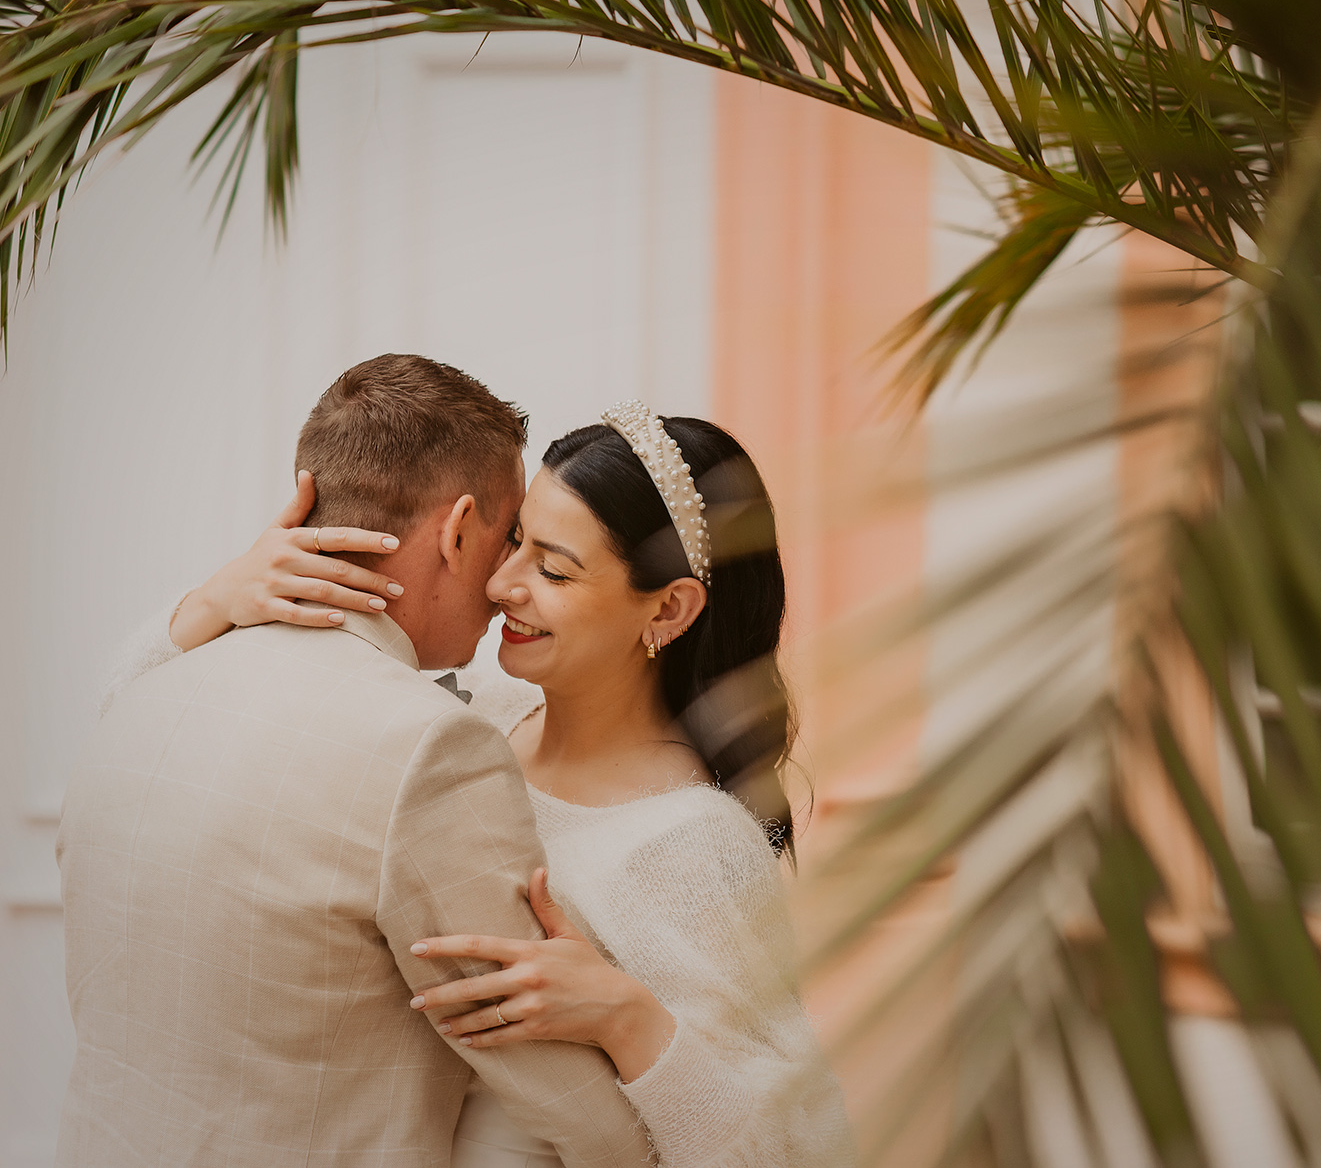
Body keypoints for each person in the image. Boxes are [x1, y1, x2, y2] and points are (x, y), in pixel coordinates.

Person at [103, 375, 856, 1167]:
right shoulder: (473, 718)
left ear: (667, 610)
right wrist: (213, 600)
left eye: (555, 572)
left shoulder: (692, 845)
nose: (500, 585)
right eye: (515, 541)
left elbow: (795, 1147)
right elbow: (130, 725)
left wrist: (626, 1017)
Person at [59, 355, 654, 1168]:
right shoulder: (429, 748)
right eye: (510, 535)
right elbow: (551, 1084)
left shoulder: (141, 697)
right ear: (457, 530)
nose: (509, 578)